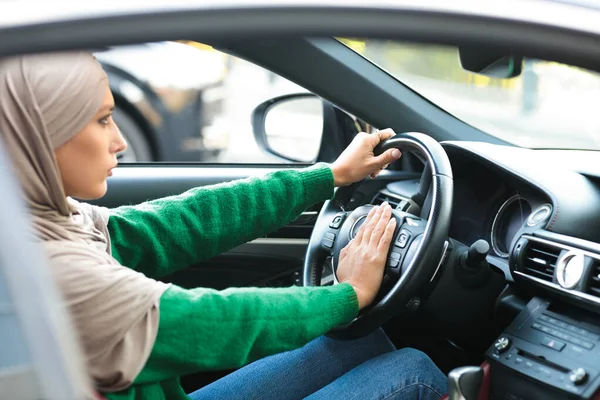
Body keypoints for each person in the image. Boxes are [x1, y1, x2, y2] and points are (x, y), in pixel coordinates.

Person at [0, 51, 448, 400]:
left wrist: (327, 176)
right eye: (101, 120)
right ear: (43, 135)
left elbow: (178, 224)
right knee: (414, 375)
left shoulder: (46, 221)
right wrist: (349, 294)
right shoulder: (54, 267)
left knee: (359, 344)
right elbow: (216, 321)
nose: (119, 140)